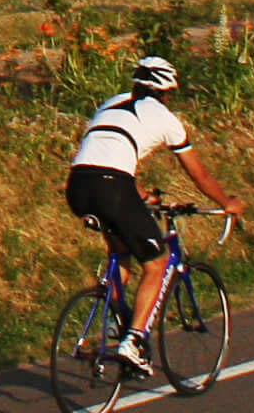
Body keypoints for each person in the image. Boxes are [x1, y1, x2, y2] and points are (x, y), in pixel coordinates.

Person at [66, 54, 241, 377]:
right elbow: (199, 176)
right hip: (113, 187)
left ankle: (113, 319)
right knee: (157, 263)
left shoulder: (112, 102)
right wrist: (226, 201)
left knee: (120, 255)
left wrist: (140, 194)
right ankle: (132, 341)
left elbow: (107, 152)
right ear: (167, 92)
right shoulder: (166, 118)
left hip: (78, 185)